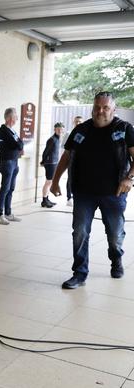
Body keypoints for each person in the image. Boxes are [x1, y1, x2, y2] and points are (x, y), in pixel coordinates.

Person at [51, 92, 134, 289]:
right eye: (97, 107)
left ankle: (116, 259)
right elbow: (66, 156)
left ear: (113, 109)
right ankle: (79, 273)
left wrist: (129, 178)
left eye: (105, 107)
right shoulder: (81, 130)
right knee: (79, 232)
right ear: (92, 108)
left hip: (114, 194)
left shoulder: (124, 129)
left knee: (114, 235)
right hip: (83, 192)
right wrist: (55, 181)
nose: (100, 111)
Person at [0, 108, 24, 224]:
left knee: (11, 188)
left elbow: (20, 144)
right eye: (15, 116)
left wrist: (19, 144)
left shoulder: (12, 131)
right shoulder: (2, 131)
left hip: (14, 162)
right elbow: (15, 144)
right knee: (5, 188)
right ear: (9, 118)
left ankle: (8, 213)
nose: (17, 119)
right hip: (7, 163)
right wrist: (18, 144)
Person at [39, 122, 64, 208]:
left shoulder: (58, 139)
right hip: (50, 163)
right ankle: (44, 201)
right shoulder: (52, 139)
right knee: (48, 182)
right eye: (58, 129)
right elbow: (46, 152)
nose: (60, 130)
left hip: (54, 163)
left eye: (61, 129)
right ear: (55, 129)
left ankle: (47, 199)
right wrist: (43, 161)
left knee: (50, 182)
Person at [63, 115, 83, 206]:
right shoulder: (69, 133)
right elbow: (65, 148)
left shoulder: (87, 133)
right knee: (70, 178)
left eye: (80, 122)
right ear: (73, 122)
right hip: (71, 160)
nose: (78, 123)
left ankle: (78, 196)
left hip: (82, 161)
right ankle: (69, 197)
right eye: (76, 121)